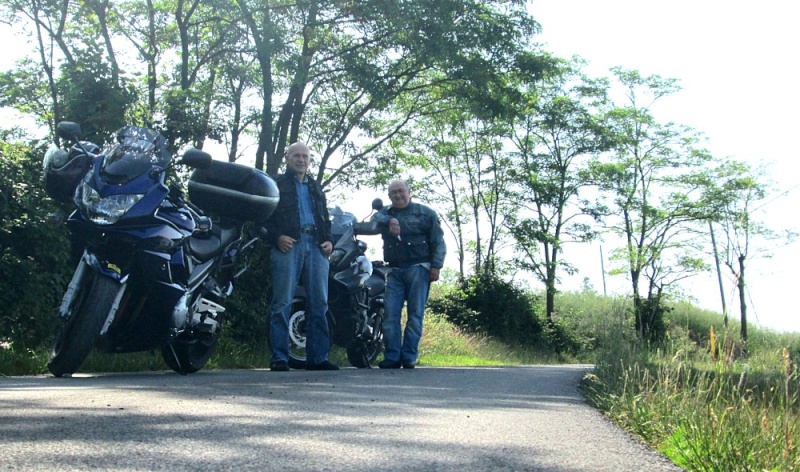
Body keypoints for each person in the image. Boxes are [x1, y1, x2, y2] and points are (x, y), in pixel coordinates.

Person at [264, 142, 338, 371]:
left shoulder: (316, 187)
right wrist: (276, 237)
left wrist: (329, 241)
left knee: (319, 303)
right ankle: (279, 358)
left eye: (305, 156)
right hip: (289, 245)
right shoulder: (275, 184)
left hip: (316, 246)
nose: (301, 159)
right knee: (282, 301)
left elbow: (324, 219)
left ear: (309, 160)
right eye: (296, 155)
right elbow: (262, 217)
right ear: (287, 158)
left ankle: (317, 359)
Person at [372, 180, 446, 369]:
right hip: (394, 270)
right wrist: (390, 220)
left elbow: (438, 241)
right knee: (390, 315)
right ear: (389, 197)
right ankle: (392, 357)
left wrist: (436, 266)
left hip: (418, 268)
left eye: (401, 191)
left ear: (409, 192)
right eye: (393, 193)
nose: (398, 196)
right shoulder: (386, 213)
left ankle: (409, 356)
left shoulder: (425, 213)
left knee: (415, 314)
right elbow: (375, 218)